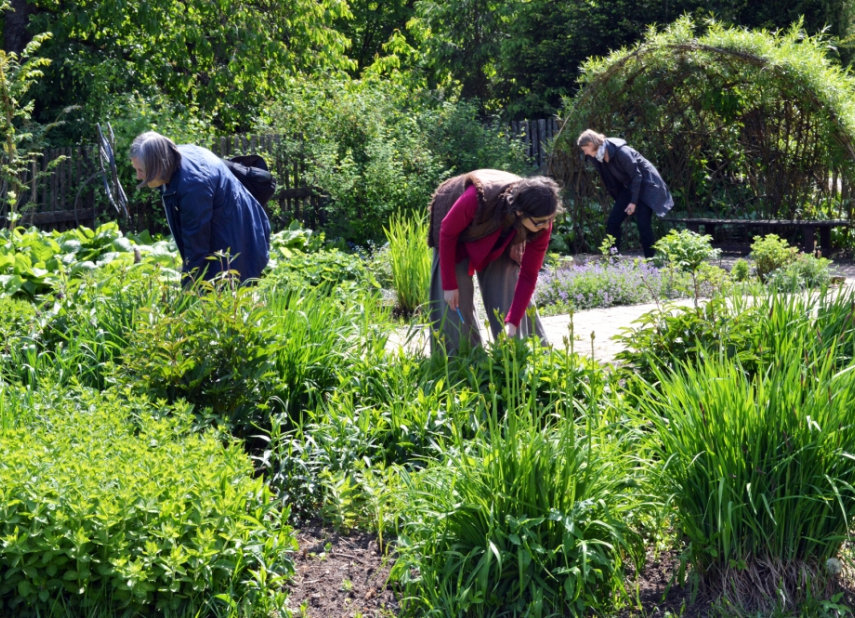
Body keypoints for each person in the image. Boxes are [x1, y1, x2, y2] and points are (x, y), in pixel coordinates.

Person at [427, 169, 562, 354]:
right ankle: (460, 363)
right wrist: (449, 284)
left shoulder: (541, 219)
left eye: (550, 220)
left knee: (507, 288)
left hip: (503, 235)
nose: (546, 226)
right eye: (541, 222)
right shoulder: (474, 199)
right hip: (456, 236)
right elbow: (447, 232)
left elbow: (529, 274)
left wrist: (513, 322)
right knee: (454, 304)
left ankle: (524, 356)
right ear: (520, 212)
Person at [130, 131, 271, 283]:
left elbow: (196, 244)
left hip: (238, 236)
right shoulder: (171, 157)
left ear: (157, 165)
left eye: (141, 170)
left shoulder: (193, 186)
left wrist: (187, 287)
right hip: (232, 224)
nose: (138, 176)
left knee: (225, 291)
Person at [577, 129, 673, 258]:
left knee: (643, 224)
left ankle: (651, 262)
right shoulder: (598, 156)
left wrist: (633, 202)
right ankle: (614, 259)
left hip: (646, 186)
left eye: (584, 149)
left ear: (590, 144)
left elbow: (637, 176)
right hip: (630, 187)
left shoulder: (622, 152)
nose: (585, 153)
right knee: (613, 222)